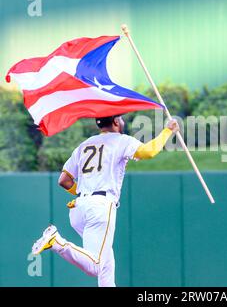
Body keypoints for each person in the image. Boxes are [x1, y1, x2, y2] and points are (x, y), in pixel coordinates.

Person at [31, 114, 180, 287]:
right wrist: (168, 130)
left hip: (79, 208)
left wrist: (80, 193)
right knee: (96, 266)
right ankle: (57, 242)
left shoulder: (84, 145)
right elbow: (148, 152)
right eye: (121, 119)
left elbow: (64, 180)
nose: (123, 121)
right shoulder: (122, 140)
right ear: (116, 122)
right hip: (100, 207)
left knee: (106, 264)